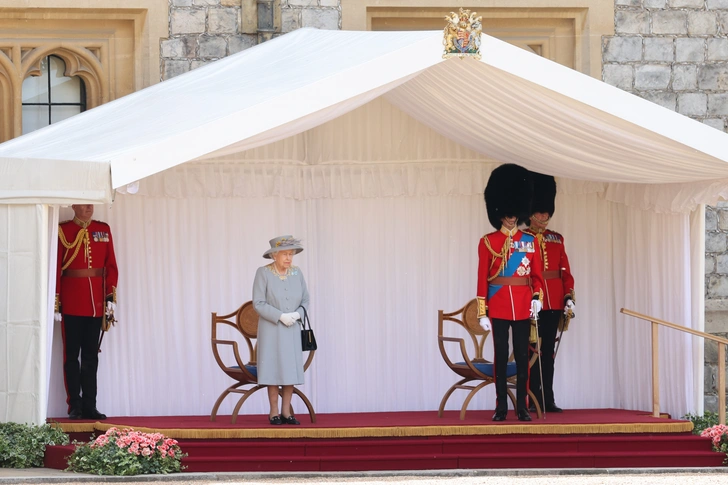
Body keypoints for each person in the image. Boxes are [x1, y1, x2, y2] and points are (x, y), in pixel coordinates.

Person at [477, 164, 544, 422]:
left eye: (514, 213)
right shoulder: (488, 242)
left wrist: (536, 299)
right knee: (501, 358)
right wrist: (483, 311)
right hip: (499, 306)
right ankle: (501, 405)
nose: (511, 218)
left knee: (523, 356)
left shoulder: (530, 241)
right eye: (506, 214)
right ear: (499, 213)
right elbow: (483, 278)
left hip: (523, 305)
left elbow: (536, 277)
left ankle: (523, 406)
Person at [55, 204, 118, 420]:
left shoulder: (103, 229)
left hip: (96, 305)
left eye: (91, 203)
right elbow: (56, 268)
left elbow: (110, 266)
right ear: (73, 206)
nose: (89, 207)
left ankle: (90, 405)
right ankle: (75, 405)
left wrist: (110, 297)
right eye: (83, 203)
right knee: (71, 356)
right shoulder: (63, 231)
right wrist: (57, 301)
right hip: (71, 302)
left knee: (91, 357)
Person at [524, 173, 575, 414]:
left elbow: (565, 273)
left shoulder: (557, 239)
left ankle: (548, 399)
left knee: (548, 355)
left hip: (553, 303)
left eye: (546, 212)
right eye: (540, 211)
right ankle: (531, 399)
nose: (544, 216)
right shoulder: (520, 239)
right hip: (529, 304)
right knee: (530, 353)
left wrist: (568, 297)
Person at [252, 235, 310, 425]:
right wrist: (280, 316)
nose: (289, 258)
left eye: (291, 254)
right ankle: (274, 412)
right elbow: (258, 303)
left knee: (289, 369)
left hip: (292, 328)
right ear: (274, 255)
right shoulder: (263, 273)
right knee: (273, 368)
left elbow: (305, 301)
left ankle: (287, 412)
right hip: (271, 329)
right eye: (285, 254)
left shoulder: (297, 273)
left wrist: (297, 314)